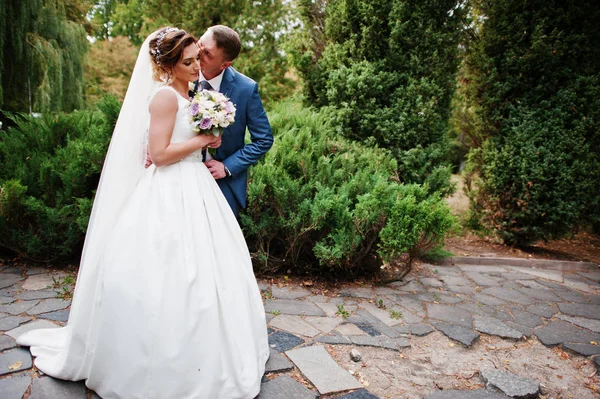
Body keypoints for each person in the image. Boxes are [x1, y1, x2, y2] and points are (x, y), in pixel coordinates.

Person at [16, 27, 270, 399]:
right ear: (168, 65)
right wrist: (200, 140)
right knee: (163, 273)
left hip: (200, 188)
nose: (197, 64)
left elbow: (179, 143)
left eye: (200, 57)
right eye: (189, 60)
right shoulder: (164, 96)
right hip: (168, 193)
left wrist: (209, 148)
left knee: (209, 273)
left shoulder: (196, 91)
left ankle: (209, 353)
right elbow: (162, 154)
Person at [148, 25, 273, 218]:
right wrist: (148, 148)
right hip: (175, 178)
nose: (198, 54)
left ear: (225, 64)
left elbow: (263, 139)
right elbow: (157, 121)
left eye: (206, 54)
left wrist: (227, 166)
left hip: (222, 183)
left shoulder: (246, 89)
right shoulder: (177, 75)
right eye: (200, 45)